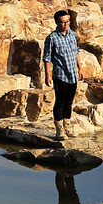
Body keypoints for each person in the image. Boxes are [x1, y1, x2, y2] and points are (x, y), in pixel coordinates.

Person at [43, 10, 83, 141]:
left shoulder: (72, 34)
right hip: (60, 74)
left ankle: (67, 126)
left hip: (72, 74)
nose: (66, 24)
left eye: (68, 21)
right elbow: (47, 57)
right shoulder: (51, 38)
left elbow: (76, 52)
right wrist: (47, 75)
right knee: (60, 101)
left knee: (69, 102)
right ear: (56, 22)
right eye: (63, 22)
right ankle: (59, 129)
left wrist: (80, 68)